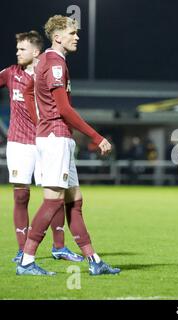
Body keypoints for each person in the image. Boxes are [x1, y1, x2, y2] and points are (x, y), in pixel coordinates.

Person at [17, 15, 120, 276]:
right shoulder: (54, 63)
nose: (77, 37)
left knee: (75, 201)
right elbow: (63, 108)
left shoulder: (48, 61)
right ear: (58, 37)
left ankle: (94, 261)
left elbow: (29, 90)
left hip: (55, 136)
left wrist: (38, 115)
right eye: (72, 33)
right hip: (55, 138)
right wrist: (97, 137)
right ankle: (27, 261)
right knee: (52, 202)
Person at [0, 30, 83, 264]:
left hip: (44, 141)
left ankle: (59, 247)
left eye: (22, 49)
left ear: (36, 52)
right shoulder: (10, 74)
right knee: (21, 196)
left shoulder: (46, 71)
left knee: (53, 194)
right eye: (17, 49)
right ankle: (22, 250)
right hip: (19, 143)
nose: (17, 53)